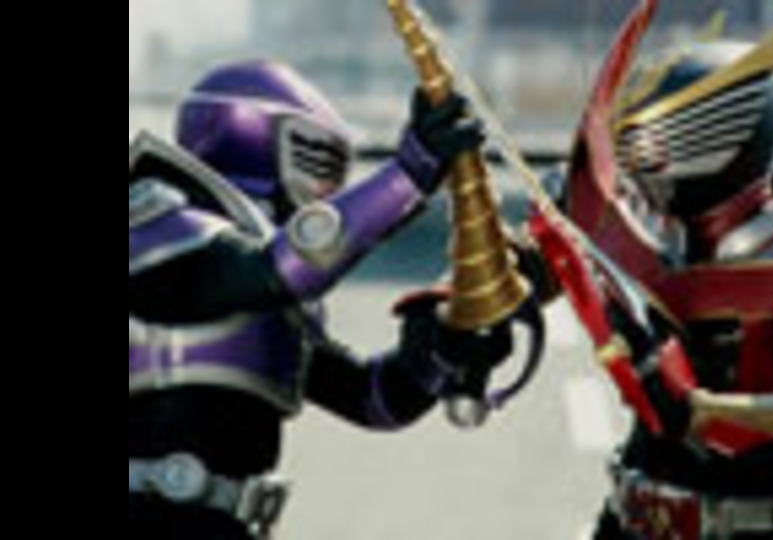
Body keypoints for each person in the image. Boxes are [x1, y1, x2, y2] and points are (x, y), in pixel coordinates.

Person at [129, 61, 510, 540]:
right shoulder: (156, 229)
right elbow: (280, 268)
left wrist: (444, 339)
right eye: (315, 152)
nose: (329, 177)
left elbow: (373, 399)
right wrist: (408, 175)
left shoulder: (258, 288)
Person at [518, 10, 773, 539]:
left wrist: (700, 410)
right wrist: (474, 304)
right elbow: (536, 267)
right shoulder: (656, 229)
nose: (633, 161)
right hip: (628, 523)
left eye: (648, 143)